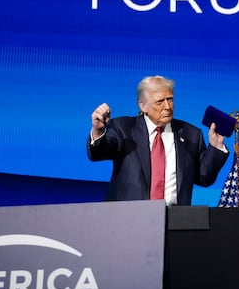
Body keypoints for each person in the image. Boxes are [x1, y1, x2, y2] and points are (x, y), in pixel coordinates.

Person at [87, 75, 230, 205]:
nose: (167, 107)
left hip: (175, 221)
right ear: (143, 105)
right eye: (160, 102)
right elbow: (97, 153)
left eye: (170, 99)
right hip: (129, 220)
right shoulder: (123, 128)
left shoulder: (190, 134)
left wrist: (215, 147)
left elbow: (204, 178)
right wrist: (98, 131)